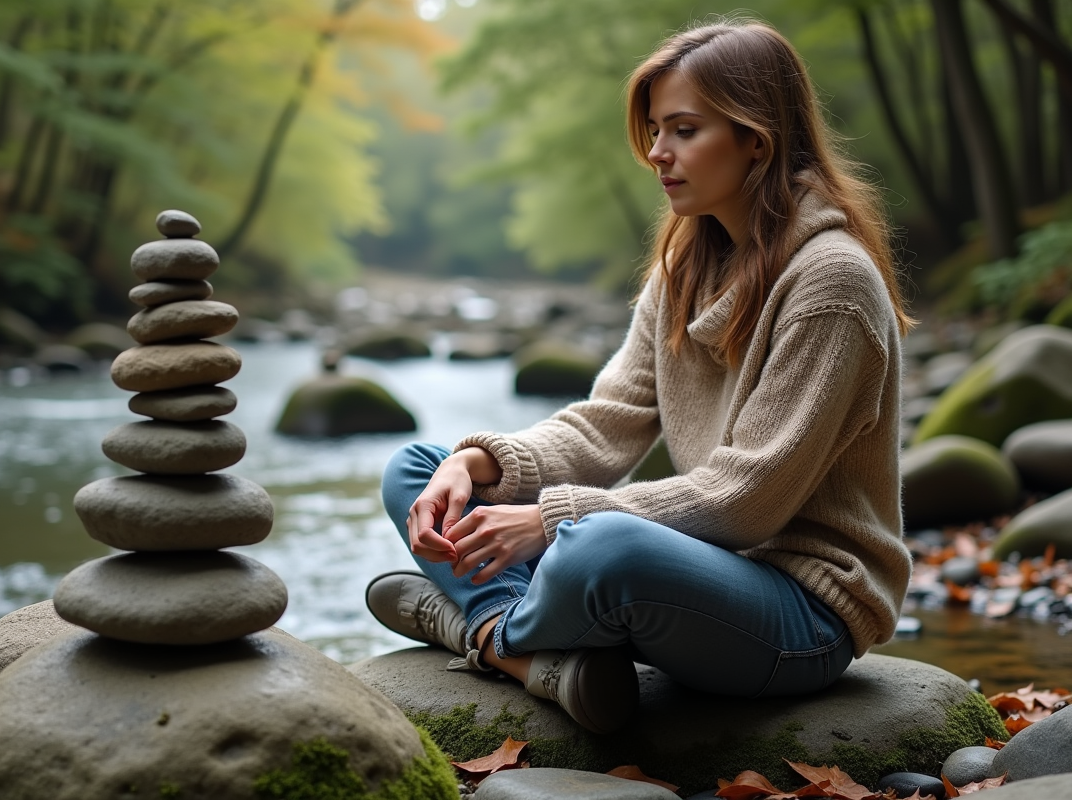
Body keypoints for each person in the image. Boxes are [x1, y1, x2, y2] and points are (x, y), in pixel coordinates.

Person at [366, 18, 914, 734]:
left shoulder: (832, 282)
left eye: (684, 130)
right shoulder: (685, 263)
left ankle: (477, 630)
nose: (657, 153)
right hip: (694, 569)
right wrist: (479, 462)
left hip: (800, 615)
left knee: (599, 545)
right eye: (655, 130)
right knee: (419, 469)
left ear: (758, 137)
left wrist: (549, 520)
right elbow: (607, 424)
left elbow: (745, 501)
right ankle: (525, 642)